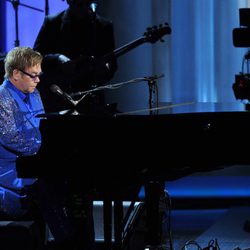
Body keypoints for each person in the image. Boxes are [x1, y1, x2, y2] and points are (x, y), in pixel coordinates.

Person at [0, 46, 96, 250]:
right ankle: (69, 243)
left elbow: (41, 126)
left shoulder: (32, 93)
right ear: (16, 73)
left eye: (39, 75)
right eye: (33, 75)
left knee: (79, 184)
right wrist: (48, 148)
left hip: (35, 160)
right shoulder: (2, 98)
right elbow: (11, 138)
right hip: (11, 169)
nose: (38, 80)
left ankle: (83, 242)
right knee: (46, 188)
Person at [33, 0, 118, 113]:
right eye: (77, 3)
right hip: (57, 96)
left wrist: (105, 69)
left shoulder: (103, 25)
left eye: (85, 3)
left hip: (91, 97)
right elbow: (35, 56)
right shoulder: (52, 22)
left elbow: (112, 64)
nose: (82, 6)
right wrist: (57, 58)